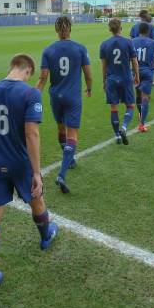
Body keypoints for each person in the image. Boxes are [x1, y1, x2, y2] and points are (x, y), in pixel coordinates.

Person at [0, 54, 57, 290]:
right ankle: (45, 237)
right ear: (28, 70)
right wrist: (36, 172)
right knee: (37, 201)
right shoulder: (30, 93)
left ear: (12, 66)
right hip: (20, 163)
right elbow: (31, 133)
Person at [36, 16, 92, 194]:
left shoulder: (48, 50)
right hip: (73, 97)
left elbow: (43, 78)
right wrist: (89, 87)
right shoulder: (80, 48)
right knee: (72, 133)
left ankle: (70, 159)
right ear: (71, 28)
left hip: (56, 96)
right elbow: (88, 74)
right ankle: (61, 174)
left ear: (56, 29)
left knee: (61, 129)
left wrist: (33, 95)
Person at [100, 19, 140, 145]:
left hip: (111, 79)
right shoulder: (128, 42)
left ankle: (117, 135)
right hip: (126, 78)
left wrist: (104, 80)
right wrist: (137, 76)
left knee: (114, 108)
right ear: (121, 28)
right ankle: (123, 127)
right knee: (130, 106)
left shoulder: (104, 44)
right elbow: (134, 61)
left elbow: (104, 66)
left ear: (110, 29)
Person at [133, 22, 154, 133]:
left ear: (138, 31)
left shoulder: (132, 41)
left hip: (135, 73)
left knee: (138, 95)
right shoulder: (152, 42)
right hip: (147, 73)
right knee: (145, 97)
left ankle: (140, 113)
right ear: (148, 31)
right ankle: (142, 124)